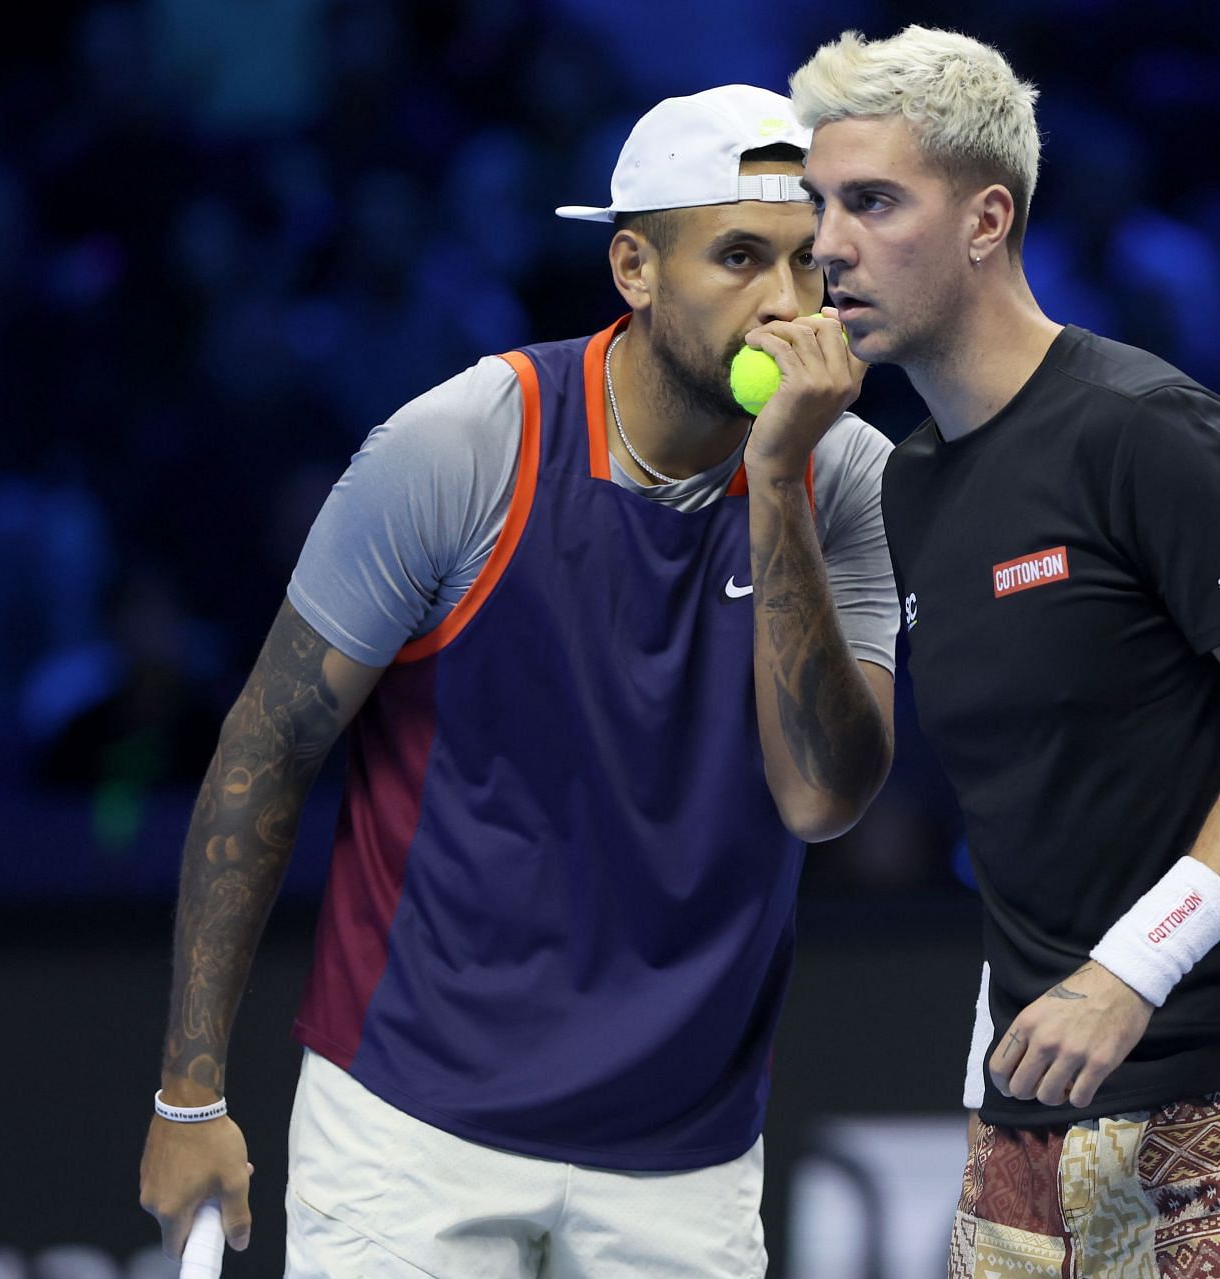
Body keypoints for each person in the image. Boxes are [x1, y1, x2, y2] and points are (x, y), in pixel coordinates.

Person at [137, 84, 898, 1278]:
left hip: (684, 1155)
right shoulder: (462, 444)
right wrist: (191, 1093)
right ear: (633, 267)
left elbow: (822, 797)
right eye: (740, 257)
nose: (784, 305)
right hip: (408, 1127)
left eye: (809, 263)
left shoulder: (846, 479)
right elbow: (265, 750)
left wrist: (777, 484)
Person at [794, 29, 1220, 1278]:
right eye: (818, 205)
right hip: (1030, 1118)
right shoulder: (905, 489)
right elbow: (1017, 809)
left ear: (987, 220)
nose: (826, 246)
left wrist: (1128, 970)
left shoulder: (1147, 431)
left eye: (871, 202)